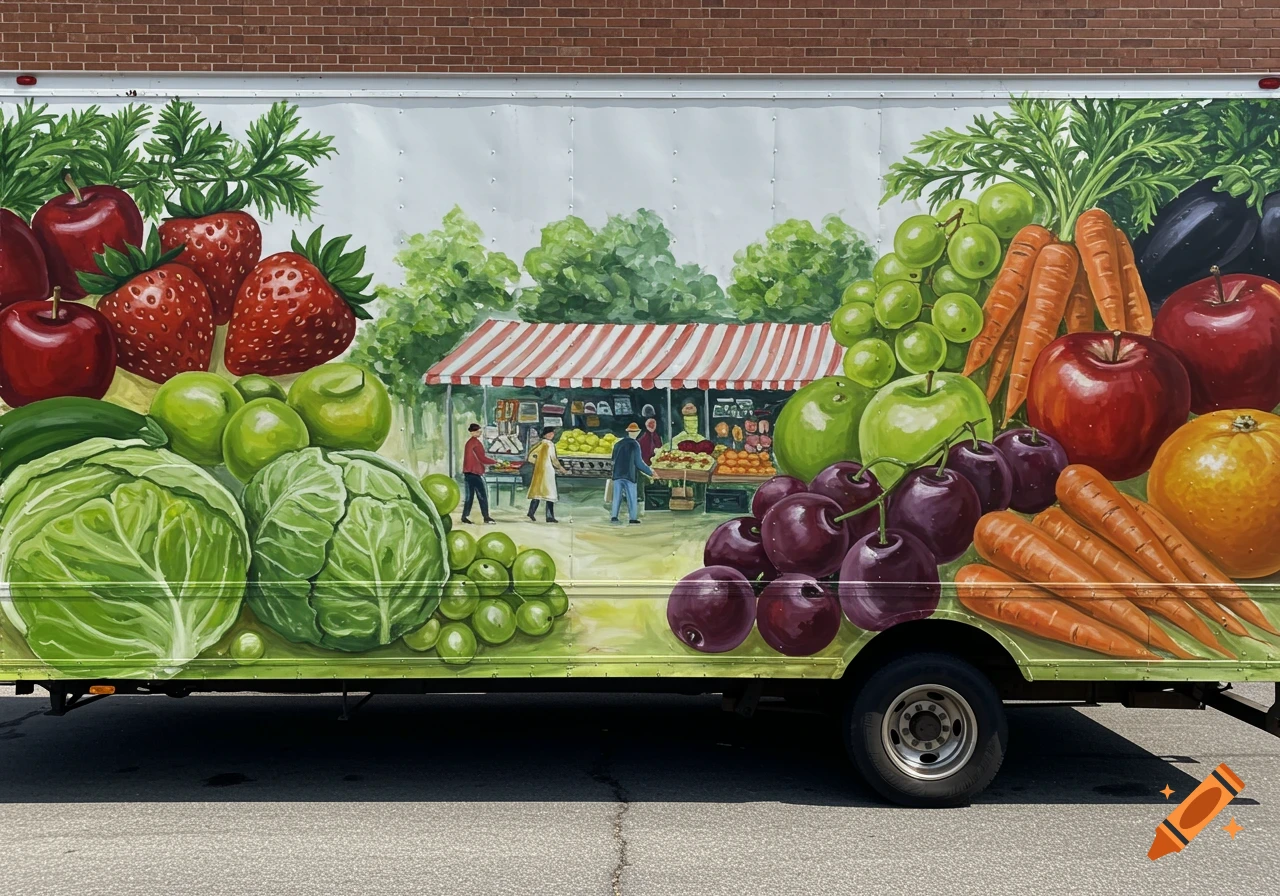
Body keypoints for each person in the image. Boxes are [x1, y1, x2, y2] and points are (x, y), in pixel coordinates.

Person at [609, 422, 654, 524]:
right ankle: (632, 518)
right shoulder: (635, 444)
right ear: (637, 432)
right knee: (632, 497)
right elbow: (639, 463)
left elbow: (613, 460)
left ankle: (614, 517)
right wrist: (650, 472)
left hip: (617, 474)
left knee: (617, 497)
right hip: (630, 474)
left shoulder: (617, 444)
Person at [526, 426, 567, 523]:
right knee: (550, 494)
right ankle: (549, 517)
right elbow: (554, 459)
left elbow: (530, 457)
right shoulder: (550, 445)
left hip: (539, 471)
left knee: (537, 493)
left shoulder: (539, 444)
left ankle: (531, 512)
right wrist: (561, 468)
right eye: (551, 433)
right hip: (548, 471)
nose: (552, 435)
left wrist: (538, 462)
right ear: (547, 434)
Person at [461, 423, 497, 524]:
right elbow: (482, 458)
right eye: (477, 431)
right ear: (472, 432)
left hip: (468, 472)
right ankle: (486, 517)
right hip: (475, 472)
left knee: (469, 496)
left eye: (480, 430)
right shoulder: (476, 443)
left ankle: (464, 516)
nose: (479, 432)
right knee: (482, 495)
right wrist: (495, 462)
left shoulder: (469, 443)